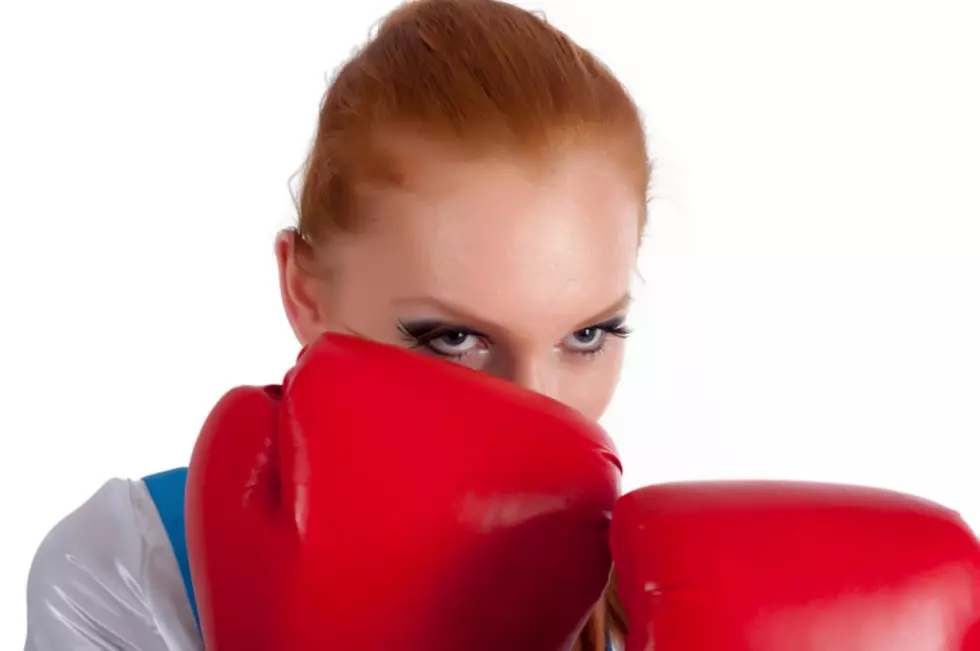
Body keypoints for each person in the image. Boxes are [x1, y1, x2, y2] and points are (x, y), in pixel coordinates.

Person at [23, 1, 647, 650]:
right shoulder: (131, 568)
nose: (538, 410)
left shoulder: (672, 597)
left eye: (586, 335)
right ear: (305, 292)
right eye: (453, 337)